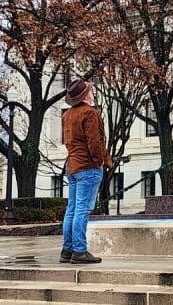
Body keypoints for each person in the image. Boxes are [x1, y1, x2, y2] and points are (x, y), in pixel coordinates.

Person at [59, 78, 113, 264]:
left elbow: (68, 141)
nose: (93, 92)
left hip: (72, 165)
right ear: (85, 95)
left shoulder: (67, 115)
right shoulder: (90, 113)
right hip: (87, 167)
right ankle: (79, 251)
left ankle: (67, 250)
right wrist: (100, 162)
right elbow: (95, 142)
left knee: (72, 208)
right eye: (90, 90)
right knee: (82, 209)